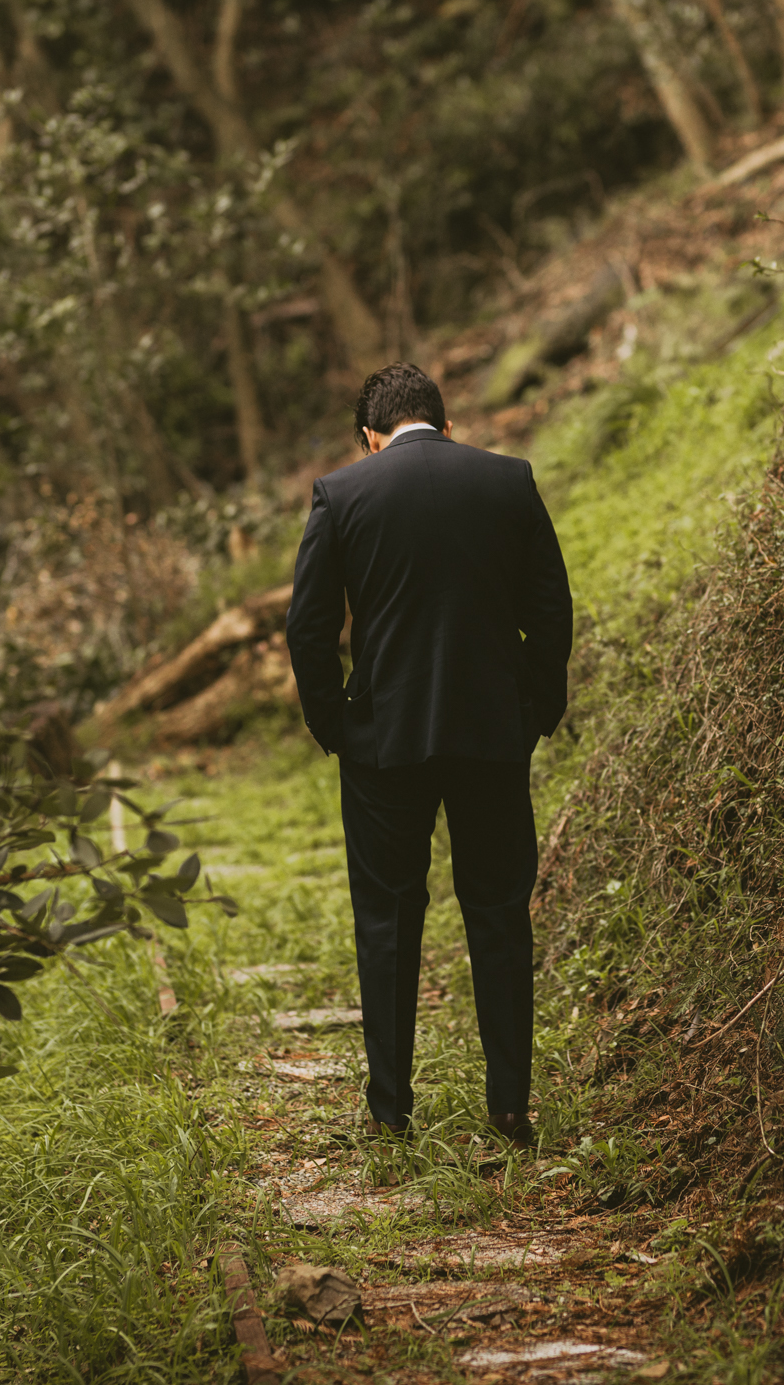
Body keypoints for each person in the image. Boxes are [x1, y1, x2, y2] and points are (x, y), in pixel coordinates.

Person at [284, 362, 573, 1147]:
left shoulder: (343, 494)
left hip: (384, 743)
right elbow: (551, 606)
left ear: (372, 438)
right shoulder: (508, 481)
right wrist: (537, 709)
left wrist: (334, 727)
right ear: (445, 426)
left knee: (386, 920)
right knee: (499, 916)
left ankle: (390, 1113)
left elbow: (308, 631)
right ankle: (510, 1109)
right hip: (490, 735)